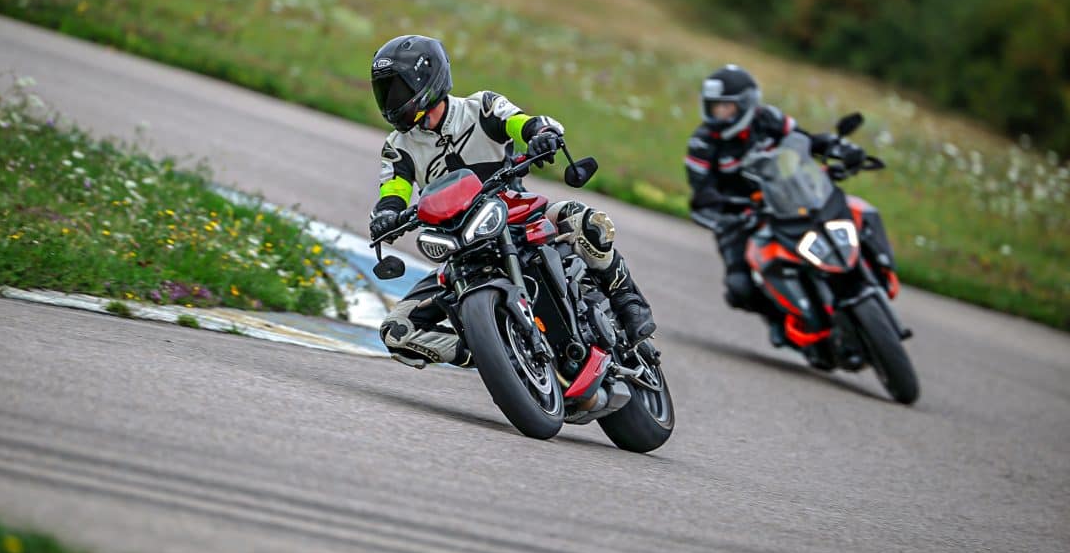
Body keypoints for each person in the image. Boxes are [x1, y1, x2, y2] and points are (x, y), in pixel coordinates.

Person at [368, 34, 656, 369]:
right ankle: (495, 351)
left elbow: (522, 123)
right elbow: (393, 191)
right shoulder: (397, 146)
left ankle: (627, 299)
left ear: (426, 80)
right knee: (396, 331)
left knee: (584, 220)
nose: (390, 100)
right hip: (460, 248)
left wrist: (541, 135)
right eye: (384, 91)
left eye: (396, 89)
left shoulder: (481, 107)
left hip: (515, 213)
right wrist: (386, 216)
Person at [685, 64, 865, 345]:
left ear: (745, 104)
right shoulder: (702, 143)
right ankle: (778, 319)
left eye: (725, 107)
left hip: (784, 199)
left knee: (855, 215)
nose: (717, 113)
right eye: (714, 107)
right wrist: (718, 207)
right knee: (740, 287)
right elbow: (702, 191)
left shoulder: (768, 118)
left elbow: (803, 140)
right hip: (737, 217)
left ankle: (866, 277)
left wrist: (834, 146)